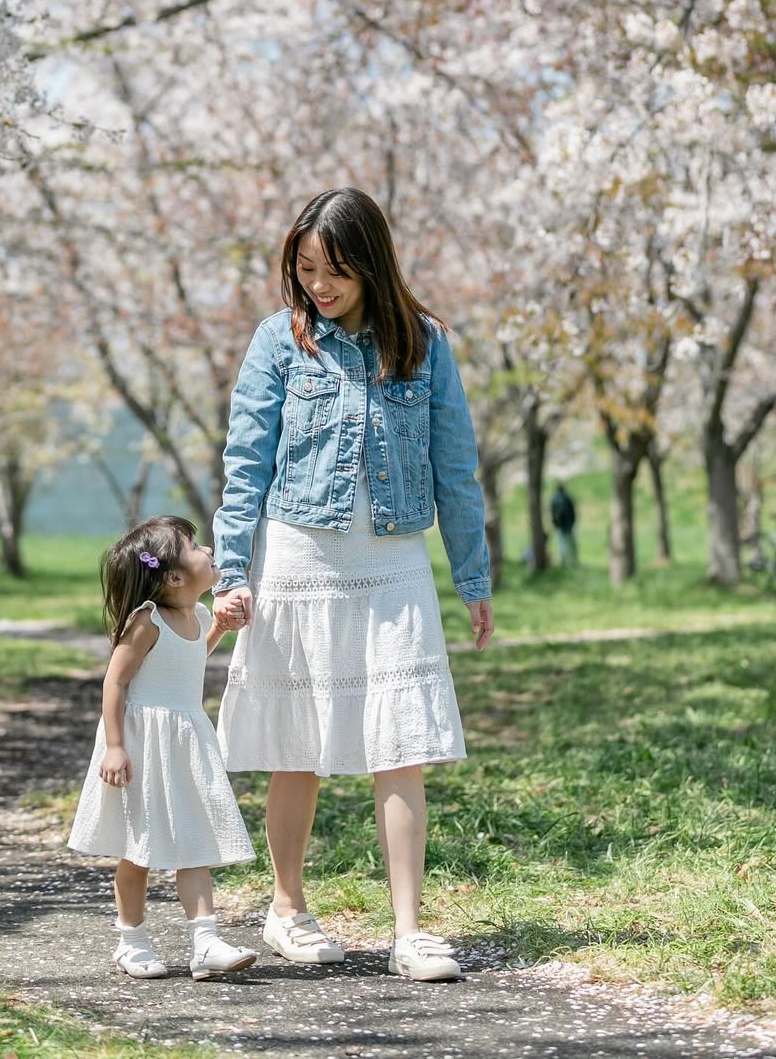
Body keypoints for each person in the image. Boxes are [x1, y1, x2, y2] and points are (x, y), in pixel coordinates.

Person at [212, 187, 494, 984]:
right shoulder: (279, 341)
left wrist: (472, 576)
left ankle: (410, 929)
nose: (319, 286)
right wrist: (232, 574)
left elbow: (456, 467)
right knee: (295, 744)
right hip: (300, 558)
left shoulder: (425, 343)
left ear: (370, 263)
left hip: (396, 563)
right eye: (305, 269)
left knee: (400, 743)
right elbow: (245, 467)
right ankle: (287, 906)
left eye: (335, 269)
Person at [68, 515, 257, 980]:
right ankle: (131, 941)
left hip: (185, 740)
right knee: (139, 847)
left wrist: (219, 632)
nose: (208, 550)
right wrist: (115, 746)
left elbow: (188, 659)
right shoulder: (146, 621)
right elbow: (116, 681)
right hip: (144, 742)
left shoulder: (198, 616)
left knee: (193, 840)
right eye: (195, 546)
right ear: (173, 576)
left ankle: (206, 942)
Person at [549, 481, 578, 567]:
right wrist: (573, 522)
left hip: (561, 525)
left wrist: (555, 523)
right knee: (571, 544)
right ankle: (573, 561)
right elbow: (573, 511)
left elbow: (552, 513)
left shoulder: (554, 499)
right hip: (568, 524)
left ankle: (563, 561)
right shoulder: (567, 498)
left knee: (562, 544)